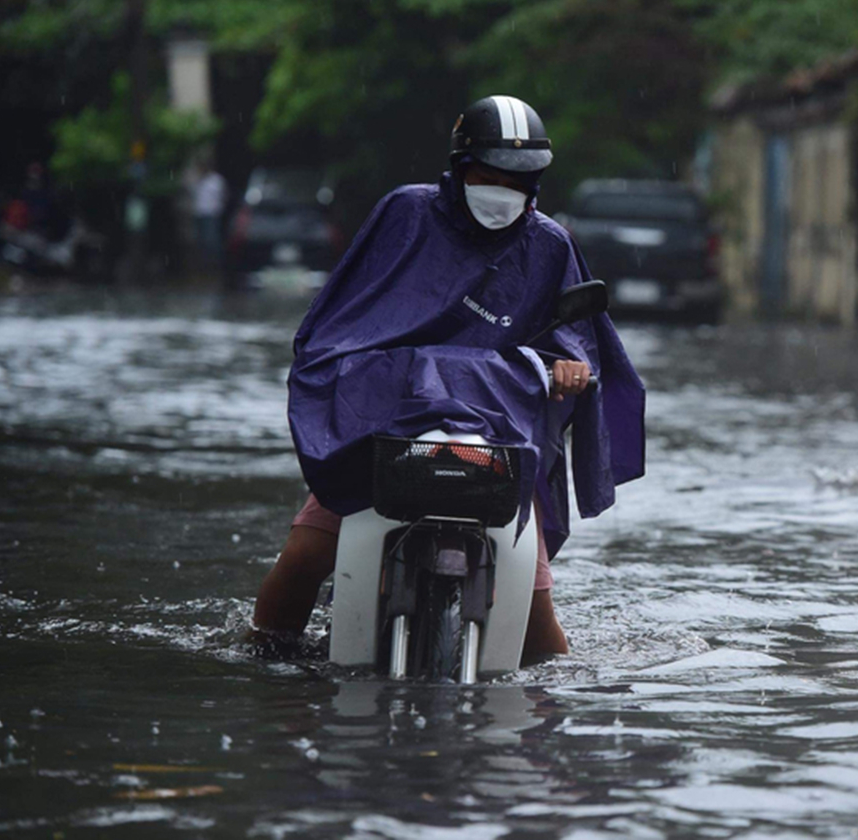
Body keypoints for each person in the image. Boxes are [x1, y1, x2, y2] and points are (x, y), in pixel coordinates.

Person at [252, 95, 646, 663]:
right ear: (462, 167)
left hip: (497, 441)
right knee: (303, 562)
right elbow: (340, 324)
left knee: (539, 628)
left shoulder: (549, 245)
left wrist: (569, 367)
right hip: (390, 428)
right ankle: (266, 674)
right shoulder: (404, 216)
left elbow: (575, 338)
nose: (505, 189)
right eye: (491, 175)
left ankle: (542, 735)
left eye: (521, 179)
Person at [191, 158, 228, 277]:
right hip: (200, 213)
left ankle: (215, 265)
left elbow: (224, 195)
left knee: (211, 240)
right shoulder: (200, 179)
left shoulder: (216, 180)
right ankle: (205, 265)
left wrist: (219, 207)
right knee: (201, 240)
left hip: (212, 214)